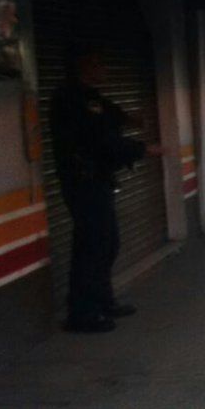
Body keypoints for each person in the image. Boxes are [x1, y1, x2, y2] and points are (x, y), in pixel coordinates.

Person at [50, 44, 162, 333]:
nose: (105, 70)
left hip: (97, 181)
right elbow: (99, 139)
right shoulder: (70, 99)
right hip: (83, 182)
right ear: (83, 65)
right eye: (99, 64)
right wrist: (142, 149)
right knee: (92, 246)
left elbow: (108, 115)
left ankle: (102, 300)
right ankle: (82, 313)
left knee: (107, 243)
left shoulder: (90, 97)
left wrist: (128, 118)